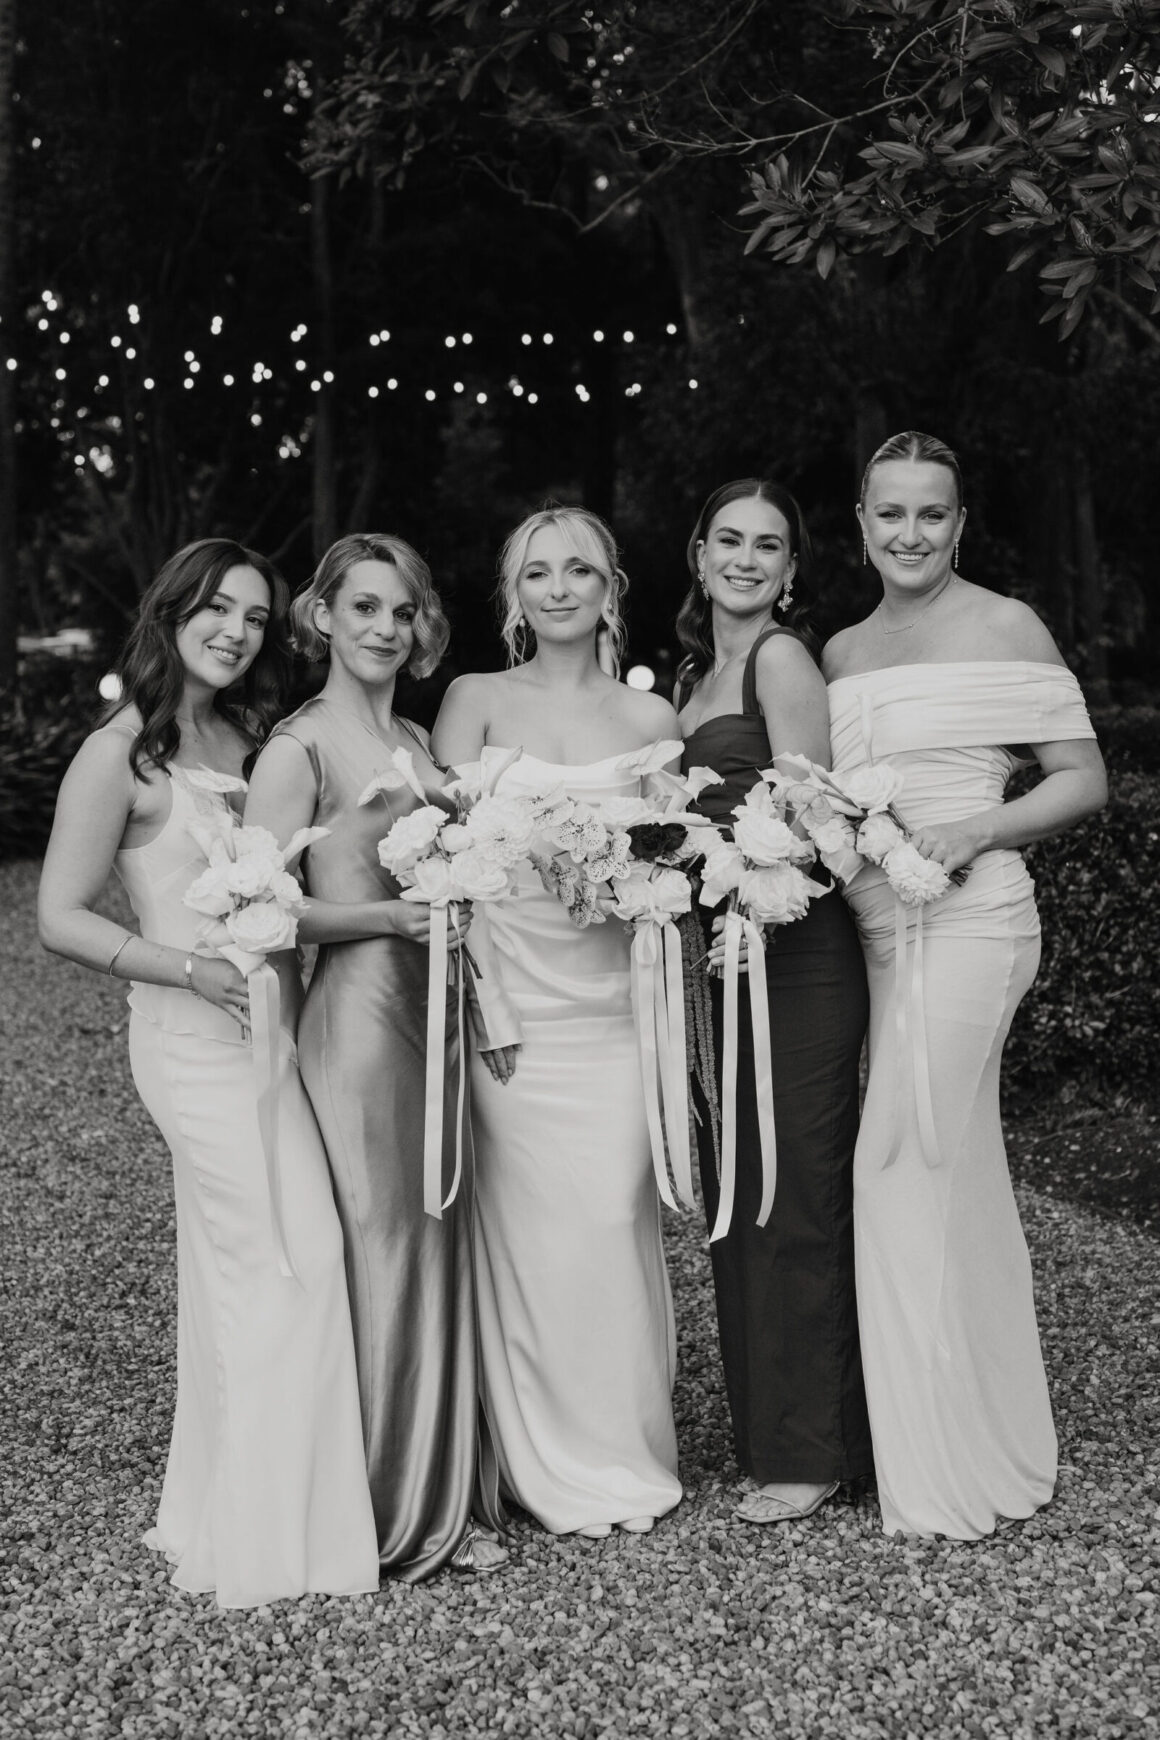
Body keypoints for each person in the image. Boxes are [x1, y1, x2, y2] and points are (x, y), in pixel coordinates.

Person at [38, 539, 379, 1609]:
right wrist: (187, 967)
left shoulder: (253, 737)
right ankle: (273, 1543)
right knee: (290, 1256)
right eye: (214, 609)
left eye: (252, 614)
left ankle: (217, 1505)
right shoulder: (122, 755)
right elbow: (57, 917)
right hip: (189, 1042)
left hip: (276, 1028)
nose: (233, 630)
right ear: (171, 611)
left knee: (233, 1270)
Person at [824, 430, 1107, 1539]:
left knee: (900, 1154)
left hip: (975, 920)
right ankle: (975, 1429)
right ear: (858, 524)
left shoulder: (1004, 626)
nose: (909, 534)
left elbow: (1083, 779)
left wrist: (971, 830)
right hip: (878, 932)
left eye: (930, 515)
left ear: (958, 523)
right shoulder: (841, 653)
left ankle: (939, 1470)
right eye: (888, 514)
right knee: (953, 1167)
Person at [242, 533, 508, 1581]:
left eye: (401, 612)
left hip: (433, 1005)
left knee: (442, 1229)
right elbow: (261, 913)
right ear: (321, 617)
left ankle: (450, 1495)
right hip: (357, 1018)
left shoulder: (413, 736)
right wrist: (383, 924)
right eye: (363, 608)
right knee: (384, 1241)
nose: (383, 629)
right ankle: (385, 1512)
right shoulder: (297, 750)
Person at [432, 505, 684, 1539]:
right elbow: (441, 859)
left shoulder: (648, 717)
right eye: (537, 572)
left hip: (617, 1008)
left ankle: (623, 1445)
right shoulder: (471, 699)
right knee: (532, 1230)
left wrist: (629, 880)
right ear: (513, 593)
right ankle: (533, 1456)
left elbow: (674, 858)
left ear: (610, 586)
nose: (559, 587)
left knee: (609, 1220)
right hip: (513, 1006)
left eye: (579, 569)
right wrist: (477, 996)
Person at [674, 479, 873, 1526]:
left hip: (794, 958)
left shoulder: (778, 658)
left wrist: (743, 887)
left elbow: (813, 809)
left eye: (769, 546)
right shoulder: (685, 679)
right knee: (733, 1192)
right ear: (697, 554)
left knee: (794, 1189)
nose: (746, 559)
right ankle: (768, 1429)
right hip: (716, 965)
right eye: (728, 541)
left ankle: (818, 1446)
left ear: (791, 569)